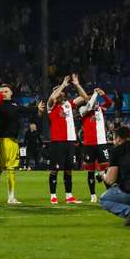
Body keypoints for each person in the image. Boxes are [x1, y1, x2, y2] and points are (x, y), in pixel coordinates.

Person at [43, 74, 87, 204]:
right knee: (55, 169)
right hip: (57, 141)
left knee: (69, 169)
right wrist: (62, 84)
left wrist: (77, 85)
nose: (61, 93)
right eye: (59, 92)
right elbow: (52, 98)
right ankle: (53, 195)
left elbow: (85, 98)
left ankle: (69, 196)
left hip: (70, 141)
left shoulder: (68, 104)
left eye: (62, 92)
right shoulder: (51, 106)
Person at [79, 86, 114, 202]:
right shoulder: (83, 109)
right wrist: (94, 95)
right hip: (89, 144)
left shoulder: (100, 109)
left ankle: (109, 193)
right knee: (90, 170)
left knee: (107, 168)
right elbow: (89, 105)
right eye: (89, 98)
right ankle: (93, 195)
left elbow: (109, 103)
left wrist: (103, 94)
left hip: (101, 143)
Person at [0, 83, 23, 205]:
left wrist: (37, 109)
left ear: (11, 93)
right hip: (0, 141)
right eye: (1, 92)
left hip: (13, 141)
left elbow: (23, 110)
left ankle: (11, 197)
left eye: (6, 91)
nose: (3, 93)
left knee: (11, 169)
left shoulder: (14, 105)